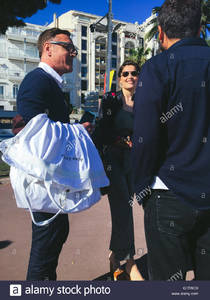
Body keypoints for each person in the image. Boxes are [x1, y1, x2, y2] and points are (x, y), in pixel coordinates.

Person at [132, 0, 210, 280]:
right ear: (200, 28)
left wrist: (141, 187)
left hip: (168, 193)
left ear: (161, 32)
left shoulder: (157, 68)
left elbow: (145, 137)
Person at [17, 27, 79, 280]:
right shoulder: (38, 81)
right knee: (44, 249)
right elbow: (29, 132)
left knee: (54, 238)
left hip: (52, 184)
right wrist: (76, 134)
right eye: (69, 47)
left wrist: (74, 129)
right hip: (43, 185)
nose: (74, 53)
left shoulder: (50, 83)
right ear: (48, 48)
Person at [93, 61, 144, 280]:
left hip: (135, 161)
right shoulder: (110, 100)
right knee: (124, 208)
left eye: (134, 73)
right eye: (126, 73)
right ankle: (131, 263)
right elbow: (99, 132)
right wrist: (119, 140)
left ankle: (115, 257)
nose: (130, 76)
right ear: (120, 78)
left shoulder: (145, 101)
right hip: (114, 161)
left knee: (125, 210)